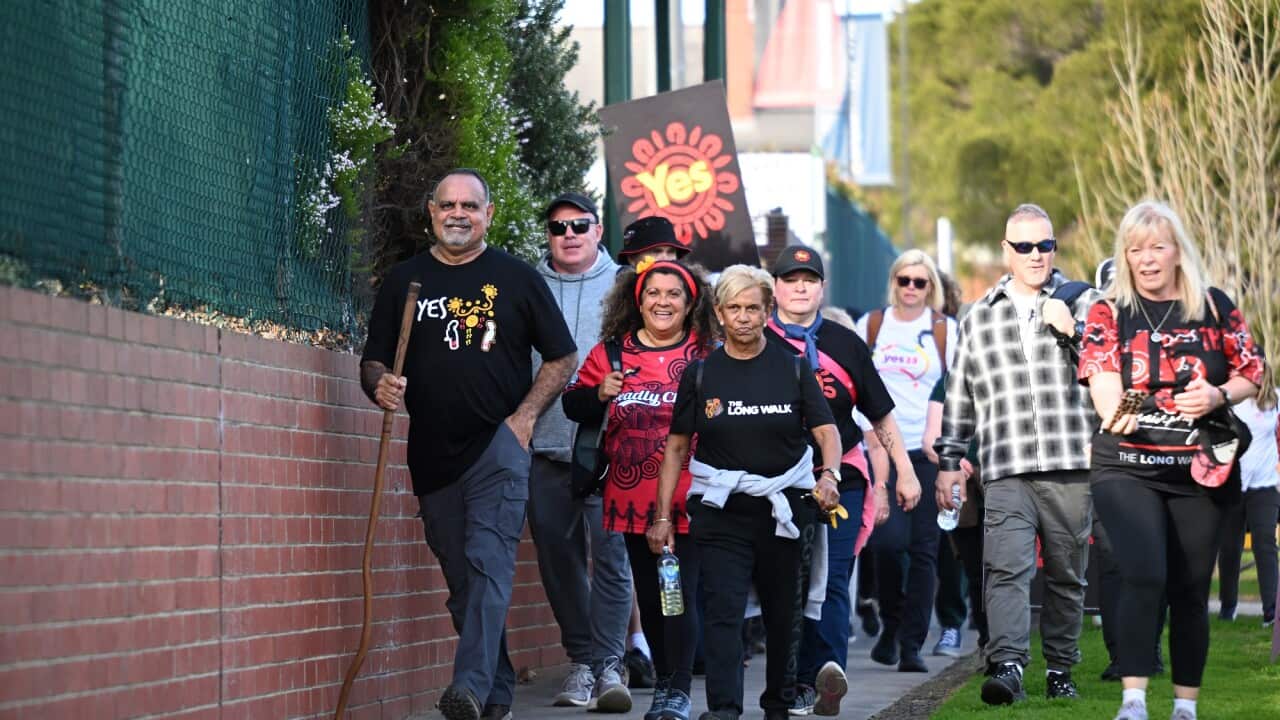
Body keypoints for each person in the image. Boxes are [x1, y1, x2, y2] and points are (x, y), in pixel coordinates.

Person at [360, 169, 578, 720]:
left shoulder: (517, 278)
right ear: (431, 212)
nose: (459, 214)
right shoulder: (404, 280)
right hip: (431, 452)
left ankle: (468, 689)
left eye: (470, 206)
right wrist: (378, 384)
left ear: (489, 213)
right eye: (448, 205)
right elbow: (373, 360)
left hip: (497, 448)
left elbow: (562, 358)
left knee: (488, 564)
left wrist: (524, 418)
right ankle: (496, 690)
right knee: (462, 582)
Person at [1078, 200, 1265, 720]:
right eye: (1136, 249)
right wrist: (1119, 408)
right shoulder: (1109, 309)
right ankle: (1133, 700)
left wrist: (1217, 396)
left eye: (1158, 247)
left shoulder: (1212, 305)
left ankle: (1185, 706)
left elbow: (1252, 370)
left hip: (1202, 466)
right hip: (1126, 463)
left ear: (1178, 251)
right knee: (1144, 572)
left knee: (1189, 588)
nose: (1147, 259)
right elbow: (1100, 372)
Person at [648, 265, 844, 720]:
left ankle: (778, 702)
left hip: (785, 509)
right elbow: (676, 448)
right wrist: (662, 517)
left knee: (782, 614)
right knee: (722, 611)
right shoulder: (700, 375)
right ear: (718, 313)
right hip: (721, 510)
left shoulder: (794, 368)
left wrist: (829, 476)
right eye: (733, 308)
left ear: (767, 311)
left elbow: (827, 432)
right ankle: (723, 708)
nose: (742, 317)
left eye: (752, 308)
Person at [935, 203, 1103, 705]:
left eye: (1044, 245)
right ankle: (1006, 665)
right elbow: (959, 392)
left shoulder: (1085, 300)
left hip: (1071, 461)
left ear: (1055, 248)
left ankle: (1059, 669)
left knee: (1067, 573)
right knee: (1004, 569)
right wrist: (949, 463)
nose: (1035, 255)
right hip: (1005, 465)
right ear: (1007, 251)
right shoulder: (977, 314)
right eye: (1024, 246)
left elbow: (1111, 371)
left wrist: (1071, 331)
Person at [764, 245, 917, 715]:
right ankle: (792, 680)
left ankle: (825, 675)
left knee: (831, 579)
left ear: (822, 287)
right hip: (777, 484)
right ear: (776, 288)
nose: (801, 286)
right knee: (787, 585)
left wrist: (905, 471)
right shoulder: (755, 342)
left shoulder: (846, 343)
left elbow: (881, 414)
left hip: (842, 480)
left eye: (809, 278)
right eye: (791, 279)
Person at [563, 258, 717, 720]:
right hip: (629, 498)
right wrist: (598, 393)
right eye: (653, 293)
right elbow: (573, 404)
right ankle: (667, 685)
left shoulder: (708, 354)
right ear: (638, 299)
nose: (662, 301)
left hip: (691, 497)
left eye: (673, 294)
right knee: (650, 597)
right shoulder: (610, 355)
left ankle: (678, 692)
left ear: (691, 304)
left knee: (680, 594)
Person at [526, 192, 634, 712]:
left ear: (598, 231)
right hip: (543, 448)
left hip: (612, 450)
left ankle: (610, 665)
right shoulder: (526, 285)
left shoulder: (626, 287)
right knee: (558, 559)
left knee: (613, 559)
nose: (568, 234)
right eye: (558, 227)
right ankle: (583, 660)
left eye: (579, 225)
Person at [855, 249, 957, 671]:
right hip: (881, 450)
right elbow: (856, 384)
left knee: (924, 550)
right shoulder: (872, 325)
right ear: (893, 282)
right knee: (886, 543)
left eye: (921, 281)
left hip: (928, 450)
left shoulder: (945, 330)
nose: (912, 289)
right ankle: (892, 624)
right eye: (904, 280)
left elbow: (959, 389)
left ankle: (911, 644)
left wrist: (956, 454)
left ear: (931, 286)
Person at [1216, 385, 1278, 627]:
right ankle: (1228, 606)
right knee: (1230, 548)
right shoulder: (1229, 401)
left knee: (1265, 543)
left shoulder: (1276, 400)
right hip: (1233, 485)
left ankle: (1271, 611)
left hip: (1265, 485)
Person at [619, 216, 690, 267]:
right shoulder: (615, 286)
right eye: (656, 251)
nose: (665, 258)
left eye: (670, 252)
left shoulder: (691, 286)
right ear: (631, 259)